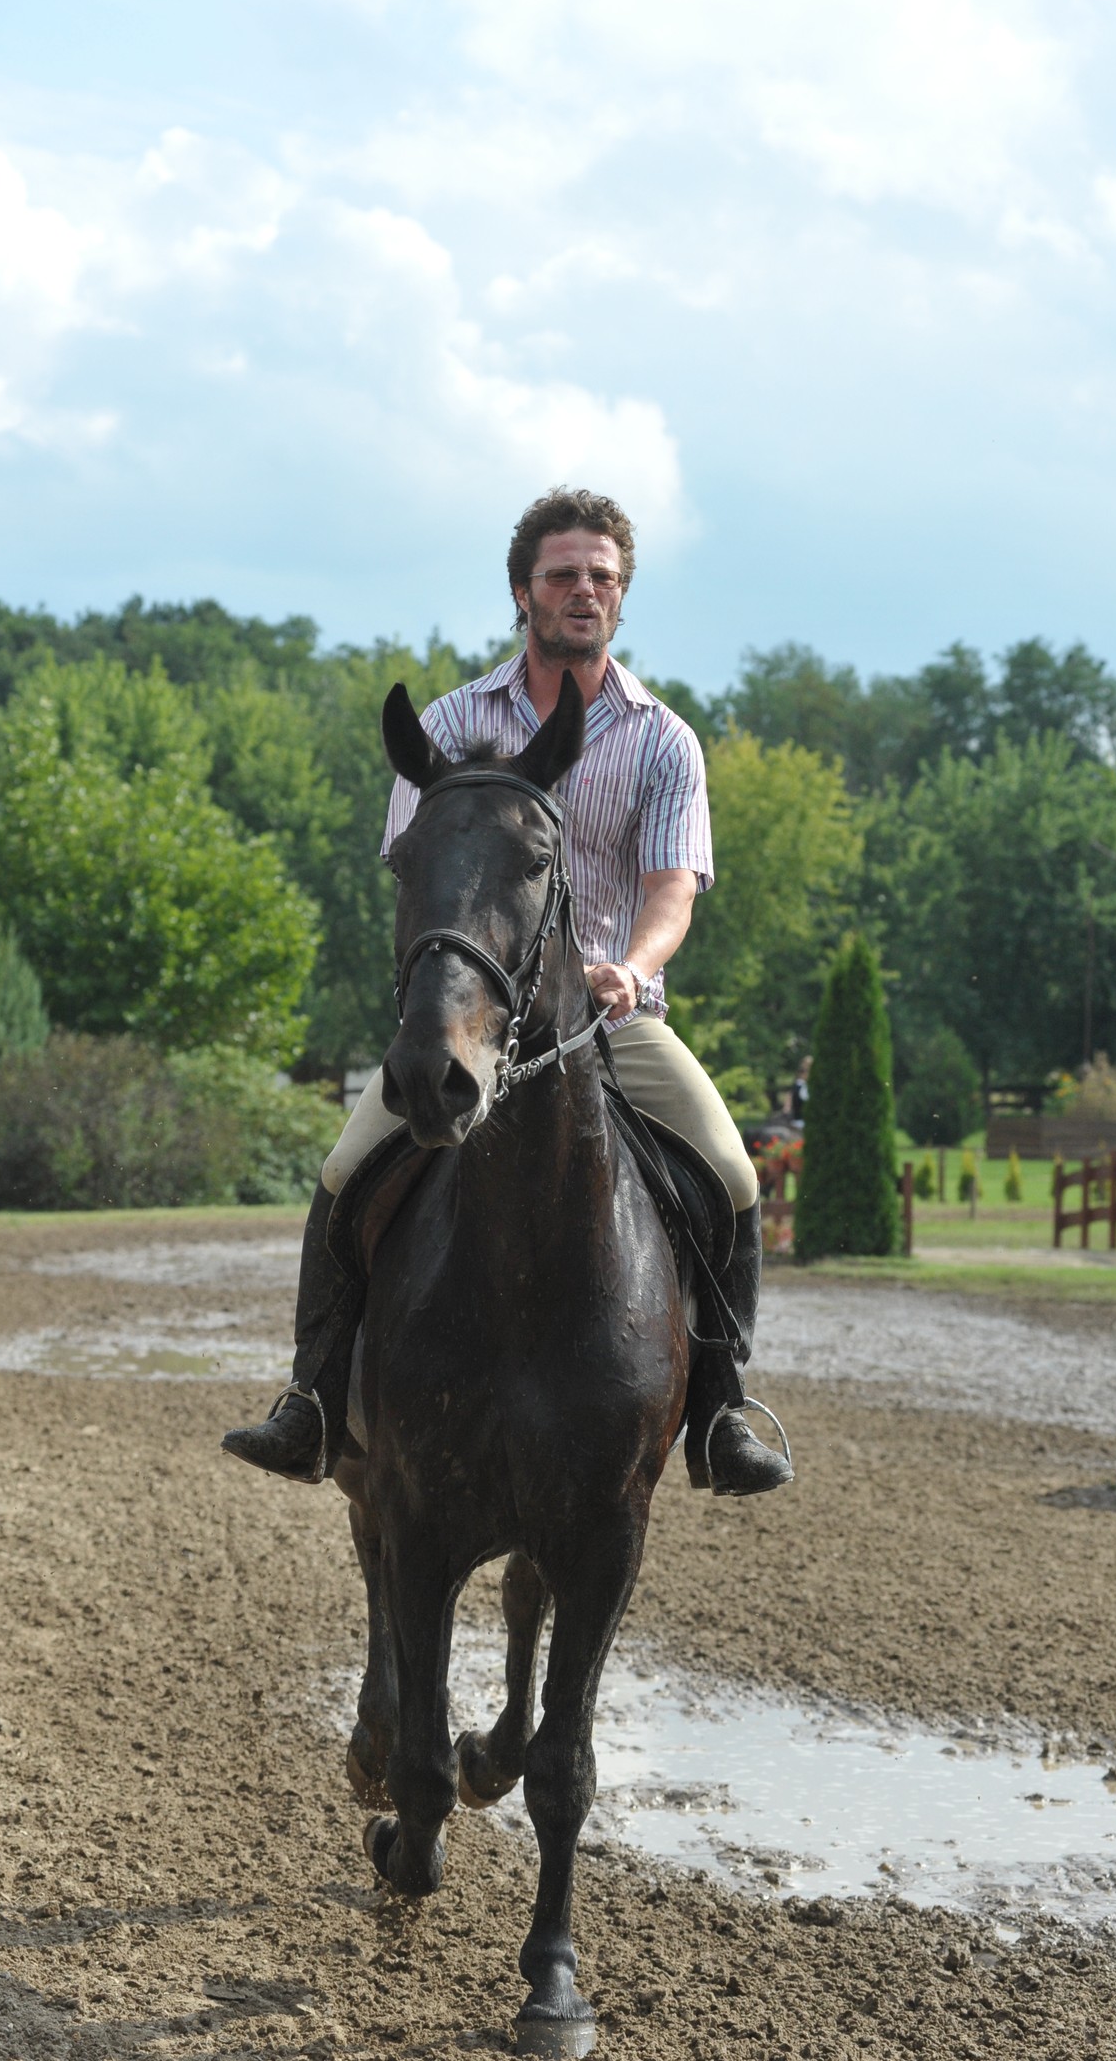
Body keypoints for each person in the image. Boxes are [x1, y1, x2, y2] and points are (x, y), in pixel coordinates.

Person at [222, 486, 792, 1499]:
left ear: (622, 597)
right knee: (345, 1170)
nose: (584, 591)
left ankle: (720, 1408)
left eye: (602, 577)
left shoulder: (664, 739)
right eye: (564, 575)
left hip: (612, 1022)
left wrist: (635, 965)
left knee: (734, 1178)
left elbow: (672, 890)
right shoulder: (449, 723)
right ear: (523, 592)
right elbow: (419, 875)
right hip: (473, 1019)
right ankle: (311, 1400)